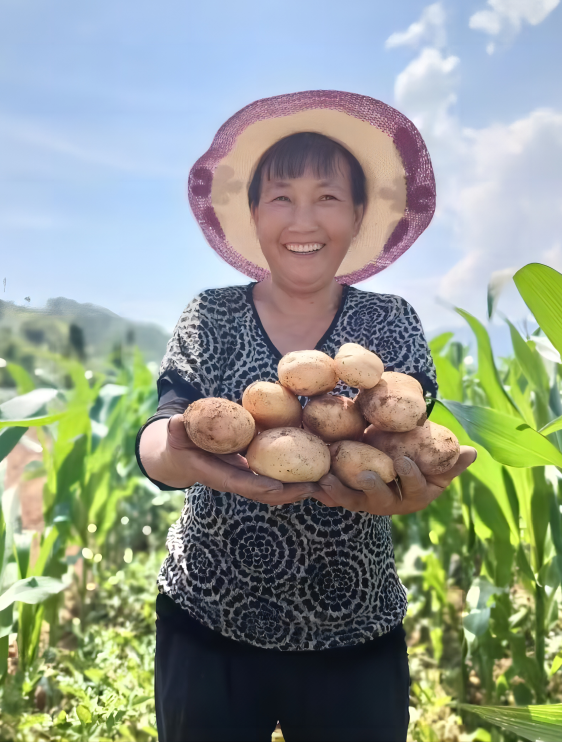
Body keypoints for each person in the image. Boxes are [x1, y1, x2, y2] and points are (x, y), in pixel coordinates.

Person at [135, 90, 477, 742]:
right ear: (256, 214)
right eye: (282, 196)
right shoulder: (210, 314)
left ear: (356, 216)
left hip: (354, 624)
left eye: (327, 197)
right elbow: (167, 423)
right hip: (210, 617)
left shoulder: (390, 322)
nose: (303, 218)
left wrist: (404, 495)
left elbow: (405, 442)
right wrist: (174, 450)